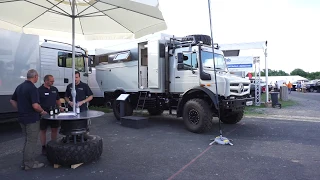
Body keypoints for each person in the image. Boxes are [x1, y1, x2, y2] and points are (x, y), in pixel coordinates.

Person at [10, 69, 47, 170]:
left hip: (22, 117)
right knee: (31, 141)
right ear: (35, 76)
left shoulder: (20, 87)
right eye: (37, 77)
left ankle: (26, 162)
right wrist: (42, 111)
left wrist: (20, 108)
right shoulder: (32, 88)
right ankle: (29, 164)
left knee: (27, 140)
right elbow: (35, 106)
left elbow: (12, 100)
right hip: (31, 119)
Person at [38, 75, 64, 155]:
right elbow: (36, 102)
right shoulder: (39, 90)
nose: (53, 82)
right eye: (51, 81)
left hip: (54, 113)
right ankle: (43, 147)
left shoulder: (54, 89)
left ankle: (53, 145)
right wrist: (41, 111)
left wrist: (60, 107)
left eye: (53, 81)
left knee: (54, 129)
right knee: (43, 130)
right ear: (46, 81)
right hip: (44, 113)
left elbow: (57, 99)